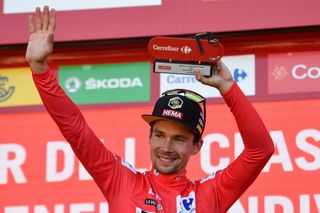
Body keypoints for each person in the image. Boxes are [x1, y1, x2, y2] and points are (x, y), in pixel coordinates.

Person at [26, 6, 274, 213]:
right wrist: (40, 70)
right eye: (159, 135)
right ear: (149, 136)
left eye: (178, 139)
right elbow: (75, 129)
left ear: (196, 146)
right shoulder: (121, 181)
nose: (165, 148)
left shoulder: (210, 195)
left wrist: (228, 87)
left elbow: (260, 151)